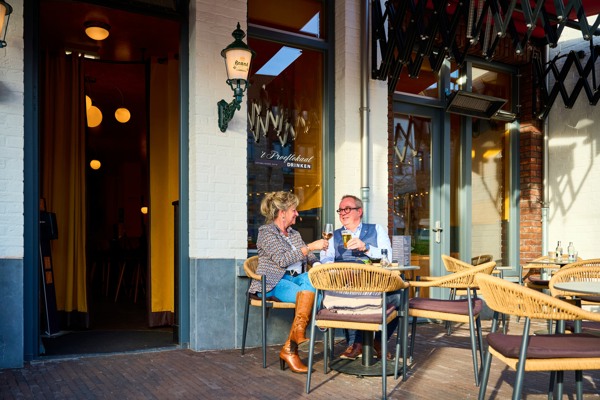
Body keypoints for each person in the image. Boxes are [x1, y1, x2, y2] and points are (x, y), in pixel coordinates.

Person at [249, 191, 329, 373]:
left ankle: (289, 346)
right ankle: (311, 326)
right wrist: (309, 246)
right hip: (273, 282)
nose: (297, 214)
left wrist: (316, 263)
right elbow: (281, 260)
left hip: (296, 278)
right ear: (282, 212)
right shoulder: (266, 233)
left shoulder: (293, 233)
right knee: (310, 295)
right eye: (294, 210)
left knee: (311, 280)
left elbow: (308, 256)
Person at [320, 194, 398, 361]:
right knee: (353, 295)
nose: (342, 213)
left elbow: (388, 258)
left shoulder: (376, 229)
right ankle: (357, 343)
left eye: (347, 208)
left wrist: (367, 248)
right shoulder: (333, 235)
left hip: (373, 280)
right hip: (345, 283)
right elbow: (325, 260)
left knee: (398, 298)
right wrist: (338, 271)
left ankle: (376, 341)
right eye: (340, 210)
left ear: (359, 211)